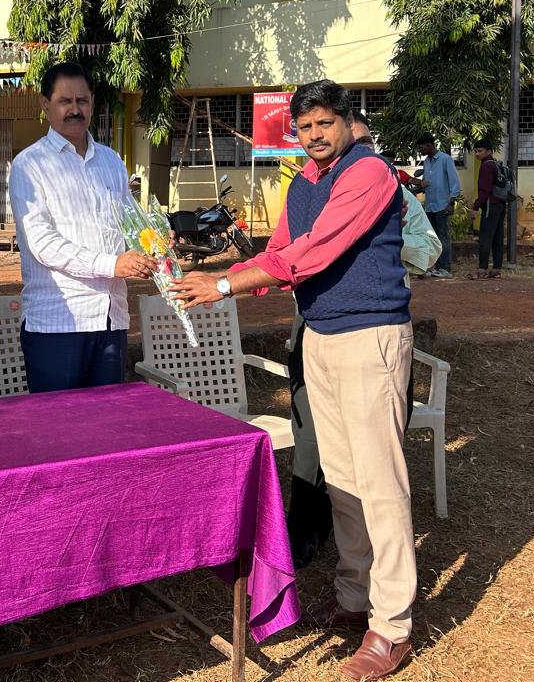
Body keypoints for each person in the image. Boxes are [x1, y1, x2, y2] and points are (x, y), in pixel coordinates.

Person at [171, 80, 416, 682]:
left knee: (380, 483)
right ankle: (356, 596)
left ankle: (392, 626)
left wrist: (224, 285)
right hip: (322, 337)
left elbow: (312, 253)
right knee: (344, 479)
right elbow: (279, 251)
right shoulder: (303, 182)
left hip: (370, 337)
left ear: (347, 121)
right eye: (304, 128)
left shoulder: (369, 173)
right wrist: (221, 275)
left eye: (324, 124)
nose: (314, 136)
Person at [285, 113, 438, 571]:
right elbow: (288, 253)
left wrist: (380, 238)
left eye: (365, 144)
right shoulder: (310, 191)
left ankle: (382, 577)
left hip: (375, 326)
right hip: (315, 323)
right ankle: (307, 535)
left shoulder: (392, 191)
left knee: (376, 455)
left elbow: (430, 250)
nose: (356, 153)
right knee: (313, 440)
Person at [8, 62, 154, 392]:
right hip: (58, 323)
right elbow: (43, 244)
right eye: (65, 101)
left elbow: (129, 223)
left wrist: (152, 241)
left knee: (108, 420)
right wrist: (112, 265)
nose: (75, 109)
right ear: (45, 104)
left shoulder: (111, 161)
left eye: (82, 101)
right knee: (59, 422)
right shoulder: (29, 165)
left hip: (110, 319)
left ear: (92, 103)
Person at [415, 133, 460, 279]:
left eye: (421, 147)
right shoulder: (426, 162)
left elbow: (454, 183)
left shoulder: (445, 159)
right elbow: (426, 182)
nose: (420, 151)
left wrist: (451, 203)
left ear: (429, 145)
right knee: (431, 238)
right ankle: (434, 267)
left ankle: (445, 268)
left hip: (442, 205)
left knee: (443, 237)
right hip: (430, 205)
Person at [470, 140, 506, 280]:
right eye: (475, 151)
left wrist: (475, 207)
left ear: (489, 151)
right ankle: (496, 268)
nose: (477, 154)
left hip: (490, 205)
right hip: (500, 204)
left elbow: (484, 191)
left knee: (485, 237)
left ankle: (483, 268)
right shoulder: (495, 164)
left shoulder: (486, 166)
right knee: (497, 237)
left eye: (480, 151)